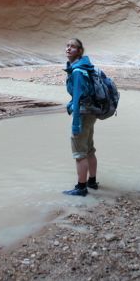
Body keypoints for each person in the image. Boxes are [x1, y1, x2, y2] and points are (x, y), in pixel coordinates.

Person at [63, 38, 99, 196]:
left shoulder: (77, 71)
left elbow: (77, 98)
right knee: (89, 149)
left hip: (83, 113)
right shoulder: (85, 67)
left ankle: (81, 187)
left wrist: (75, 124)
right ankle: (92, 182)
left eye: (73, 46)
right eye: (67, 45)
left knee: (79, 153)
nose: (68, 48)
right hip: (91, 112)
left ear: (79, 51)